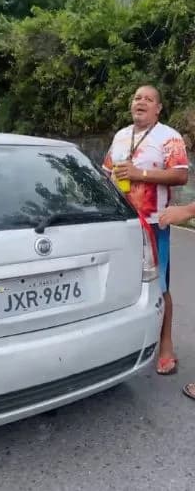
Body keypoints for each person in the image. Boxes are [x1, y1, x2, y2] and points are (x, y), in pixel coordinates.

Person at [103, 85, 189, 375]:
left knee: (159, 287)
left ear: (158, 108)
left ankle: (166, 345)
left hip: (154, 224)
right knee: (117, 284)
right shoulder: (120, 136)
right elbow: (106, 173)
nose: (141, 102)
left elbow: (180, 175)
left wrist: (140, 174)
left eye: (148, 99)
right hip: (120, 224)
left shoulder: (169, 137)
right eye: (137, 98)